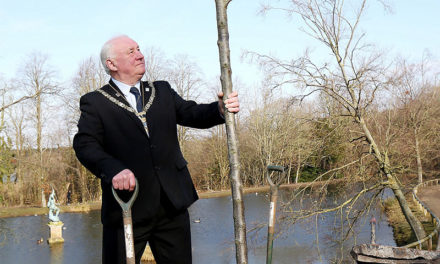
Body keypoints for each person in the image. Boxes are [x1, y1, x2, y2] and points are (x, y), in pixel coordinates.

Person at [73, 35, 239, 264]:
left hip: (172, 205)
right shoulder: (96, 102)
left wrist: (219, 109)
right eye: (131, 52)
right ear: (111, 64)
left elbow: (192, 113)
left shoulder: (161, 90)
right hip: (126, 208)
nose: (140, 55)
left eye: (139, 49)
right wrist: (113, 170)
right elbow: (85, 144)